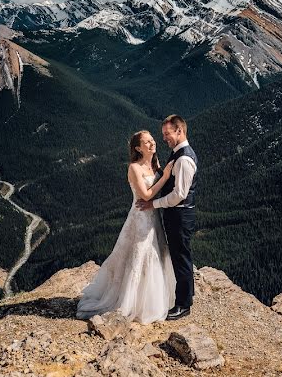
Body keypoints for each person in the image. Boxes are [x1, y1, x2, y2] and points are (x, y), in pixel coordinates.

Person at [75, 130, 176, 323]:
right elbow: (146, 195)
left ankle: (151, 300)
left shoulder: (155, 164)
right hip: (140, 219)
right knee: (139, 256)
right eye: (147, 142)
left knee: (155, 254)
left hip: (154, 217)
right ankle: (131, 302)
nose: (152, 144)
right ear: (138, 148)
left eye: (152, 140)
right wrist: (164, 177)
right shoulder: (134, 168)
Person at [136, 114, 197, 321]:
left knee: (181, 258)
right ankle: (186, 295)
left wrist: (153, 204)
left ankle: (183, 304)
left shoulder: (185, 159)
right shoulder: (176, 154)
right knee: (179, 256)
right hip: (176, 215)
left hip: (180, 214)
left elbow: (179, 195)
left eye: (167, 133)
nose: (164, 138)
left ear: (179, 131)